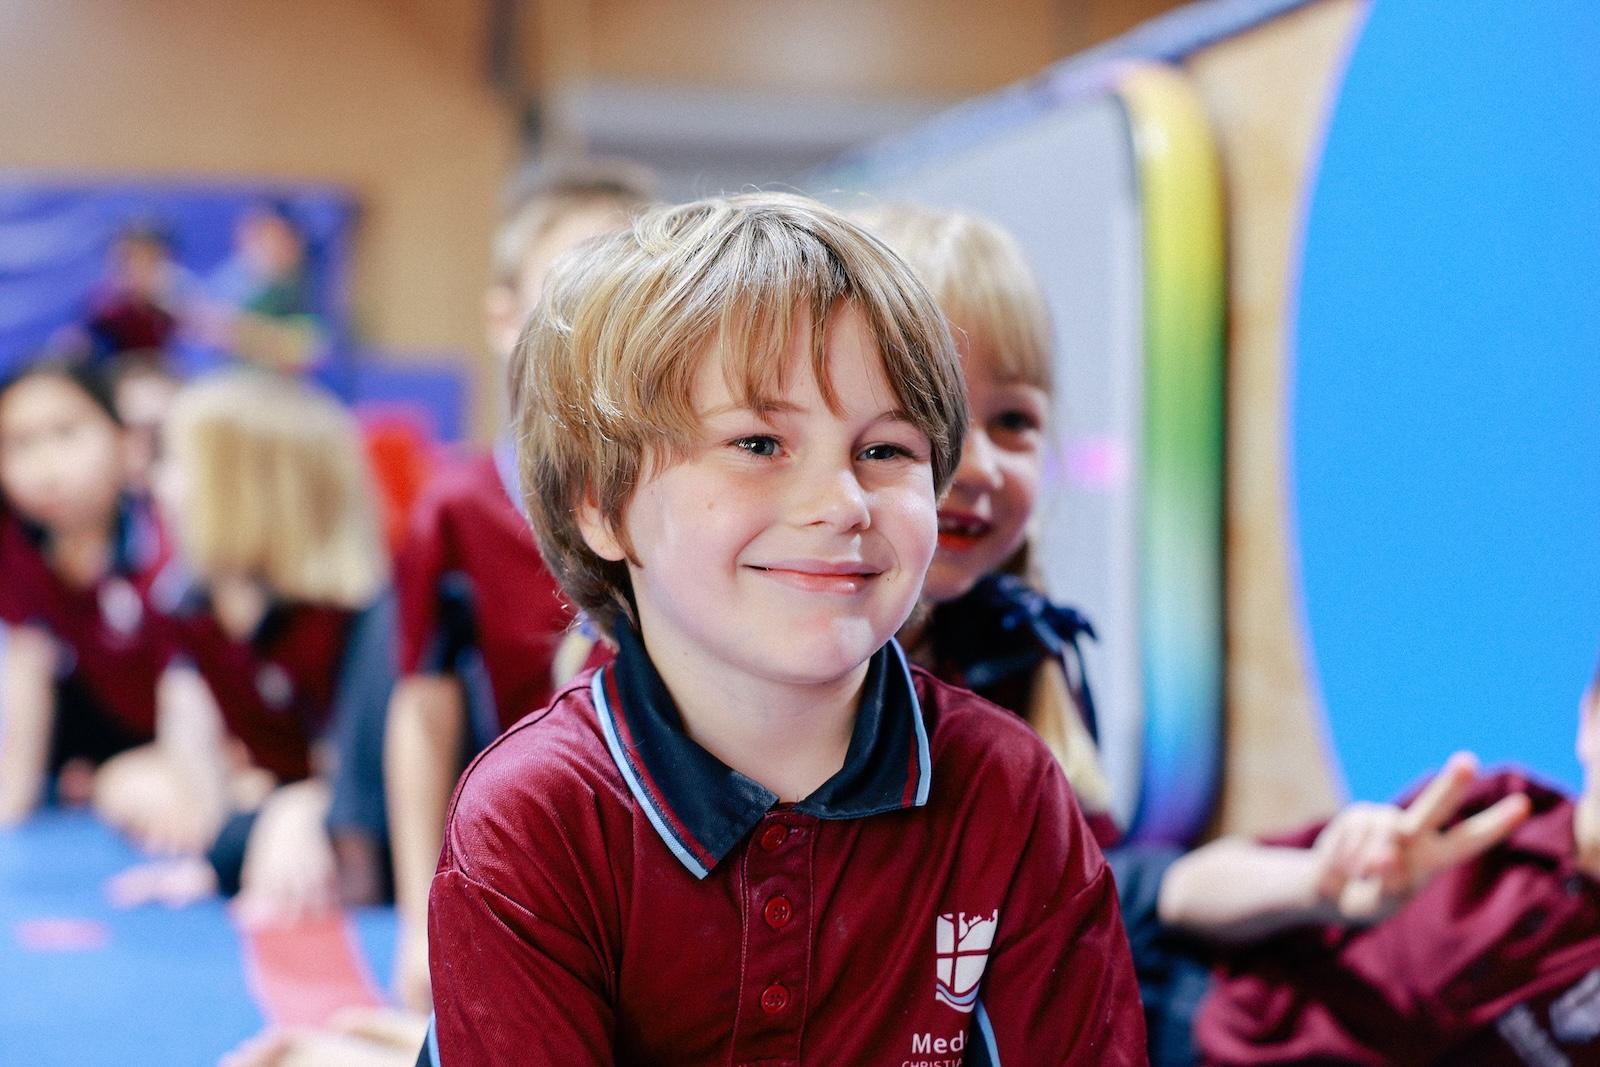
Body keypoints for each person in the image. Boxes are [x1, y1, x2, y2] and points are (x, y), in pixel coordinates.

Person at [423, 192, 1145, 1064]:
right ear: (600, 505)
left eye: (886, 451)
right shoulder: (535, 819)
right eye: (760, 443)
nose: (840, 503)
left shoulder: (1010, 791)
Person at [384, 157, 654, 1012]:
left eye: (635, 283)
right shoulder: (457, 507)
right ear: (505, 318)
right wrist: (416, 915)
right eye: (576, 278)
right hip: (532, 859)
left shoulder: (688, 492)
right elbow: (423, 711)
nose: (605, 312)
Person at [110, 370, 398, 915]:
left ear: (248, 492)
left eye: (175, 464)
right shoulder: (193, 608)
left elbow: (368, 824)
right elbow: (206, 806)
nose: (156, 483)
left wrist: (303, 806)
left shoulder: (367, 619)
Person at [0, 361, 174, 825]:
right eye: (18, 444)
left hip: (196, 740)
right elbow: (27, 662)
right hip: (103, 735)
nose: (43, 467)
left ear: (125, 442)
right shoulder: (18, 545)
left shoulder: (169, 536)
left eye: (66, 433)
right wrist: (11, 800)